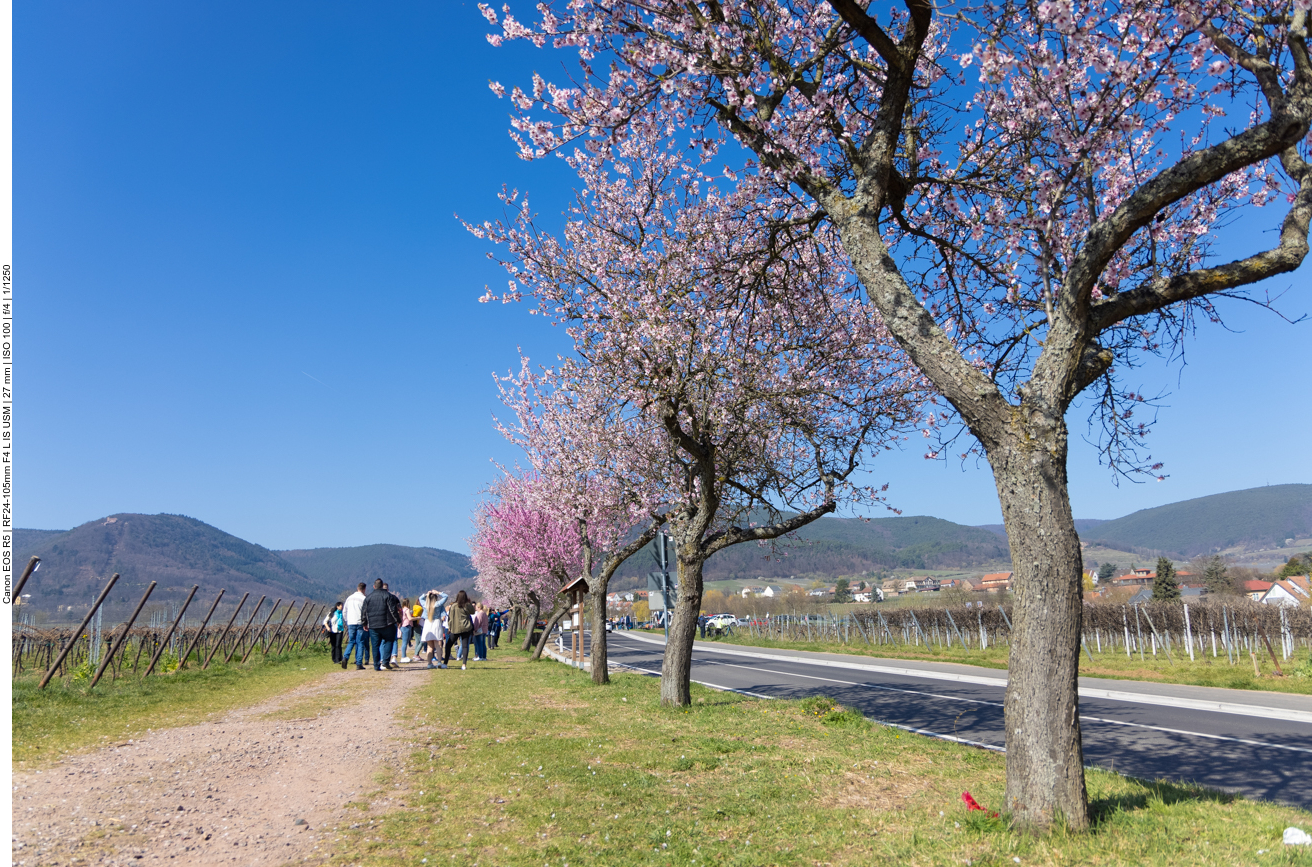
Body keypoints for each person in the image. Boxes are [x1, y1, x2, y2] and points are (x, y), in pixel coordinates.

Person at [362, 579, 402, 671]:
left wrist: (364, 623)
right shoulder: (389, 596)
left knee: (375, 645)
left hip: (373, 625)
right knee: (389, 641)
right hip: (388, 624)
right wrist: (398, 620)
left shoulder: (368, 598)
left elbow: (364, 612)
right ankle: (385, 661)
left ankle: (376, 665)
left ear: (374, 586)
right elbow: (393, 610)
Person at [444, 590, 476, 670]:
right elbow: (473, 612)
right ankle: (464, 665)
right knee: (465, 646)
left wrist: (449, 627)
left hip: (455, 628)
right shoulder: (467, 605)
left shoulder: (454, 606)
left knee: (448, 645)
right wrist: (469, 603)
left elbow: (450, 618)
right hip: (466, 627)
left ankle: (445, 663)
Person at [420, 589, 448, 669]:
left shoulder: (425, 604)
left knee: (429, 646)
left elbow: (420, 598)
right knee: (438, 645)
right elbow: (446, 596)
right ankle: (439, 662)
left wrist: (426, 594)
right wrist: (438, 592)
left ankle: (429, 663)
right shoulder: (438, 604)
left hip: (428, 623)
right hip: (436, 623)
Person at [342, 583, 368, 670]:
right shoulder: (364, 599)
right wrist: (366, 623)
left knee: (351, 641)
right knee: (360, 642)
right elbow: (366, 612)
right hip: (360, 622)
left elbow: (344, 611)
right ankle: (359, 663)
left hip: (351, 622)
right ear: (364, 589)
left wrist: (346, 621)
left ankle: (345, 657)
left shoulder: (349, 598)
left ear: (357, 588)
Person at [398, 598, 415, 663]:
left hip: (402, 626)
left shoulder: (402, 610)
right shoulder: (407, 610)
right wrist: (417, 618)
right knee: (405, 642)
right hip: (407, 626)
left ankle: (404, 656)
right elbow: (410, 618)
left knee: (404, 642)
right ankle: (403, 656)